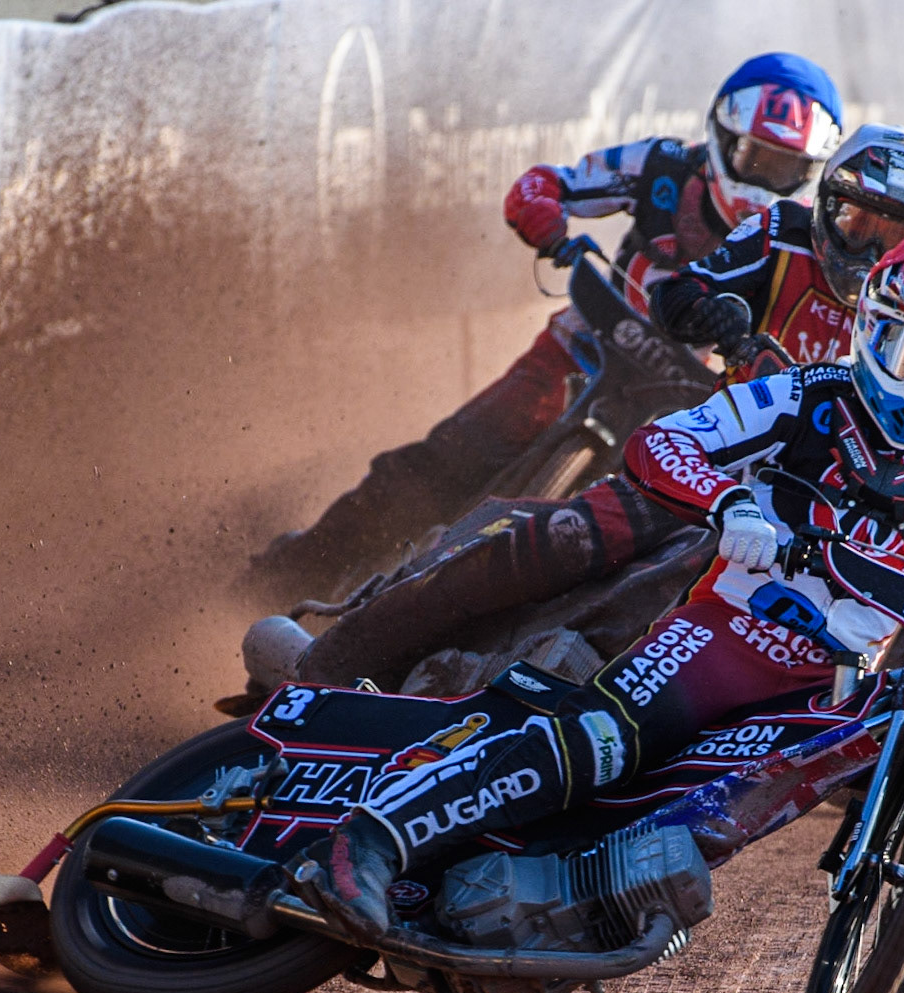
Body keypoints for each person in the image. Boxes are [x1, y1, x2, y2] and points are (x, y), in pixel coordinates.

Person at [302, 230, 904, 993]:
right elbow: (665, 442)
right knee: (600, 742)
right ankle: (372, 840)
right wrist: (731, 506)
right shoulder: (806, 394)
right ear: (873, 329)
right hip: (727, 632)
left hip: (841, 690)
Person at [260, 123, 904, 697]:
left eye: (898, 233)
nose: (872, 244)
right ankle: (328, 668)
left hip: (829, 536)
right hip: (709, 476)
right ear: (825, 205)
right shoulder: (780, 235)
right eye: (858, 221)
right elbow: (676, 292)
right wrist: (719, 313)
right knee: (552, 537)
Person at [248, 53, 844, 603]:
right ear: (722, 138)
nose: (766, 177)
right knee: (441, 461)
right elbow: (542, 184)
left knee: (632, 550)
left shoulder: (800, 239)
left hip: (689, 409)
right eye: (755, 157)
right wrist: (548, 223)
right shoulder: (660, 165)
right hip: (583, 346)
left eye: (787, 167)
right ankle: (285, 576)